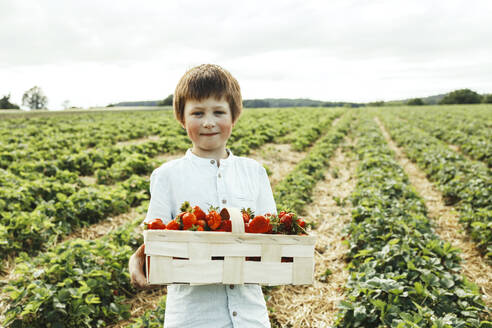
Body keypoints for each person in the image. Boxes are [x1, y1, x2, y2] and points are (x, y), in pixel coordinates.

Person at [128, 64, 276, 328]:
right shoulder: (167, 177)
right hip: (192, 317)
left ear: (234, 116)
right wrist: (140, 255)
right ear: (182, 118)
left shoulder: (254, 173)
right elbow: (157, 237)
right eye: (197, 113)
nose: (208, 122)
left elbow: (272, 240)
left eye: (218, 112)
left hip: (250, 316)